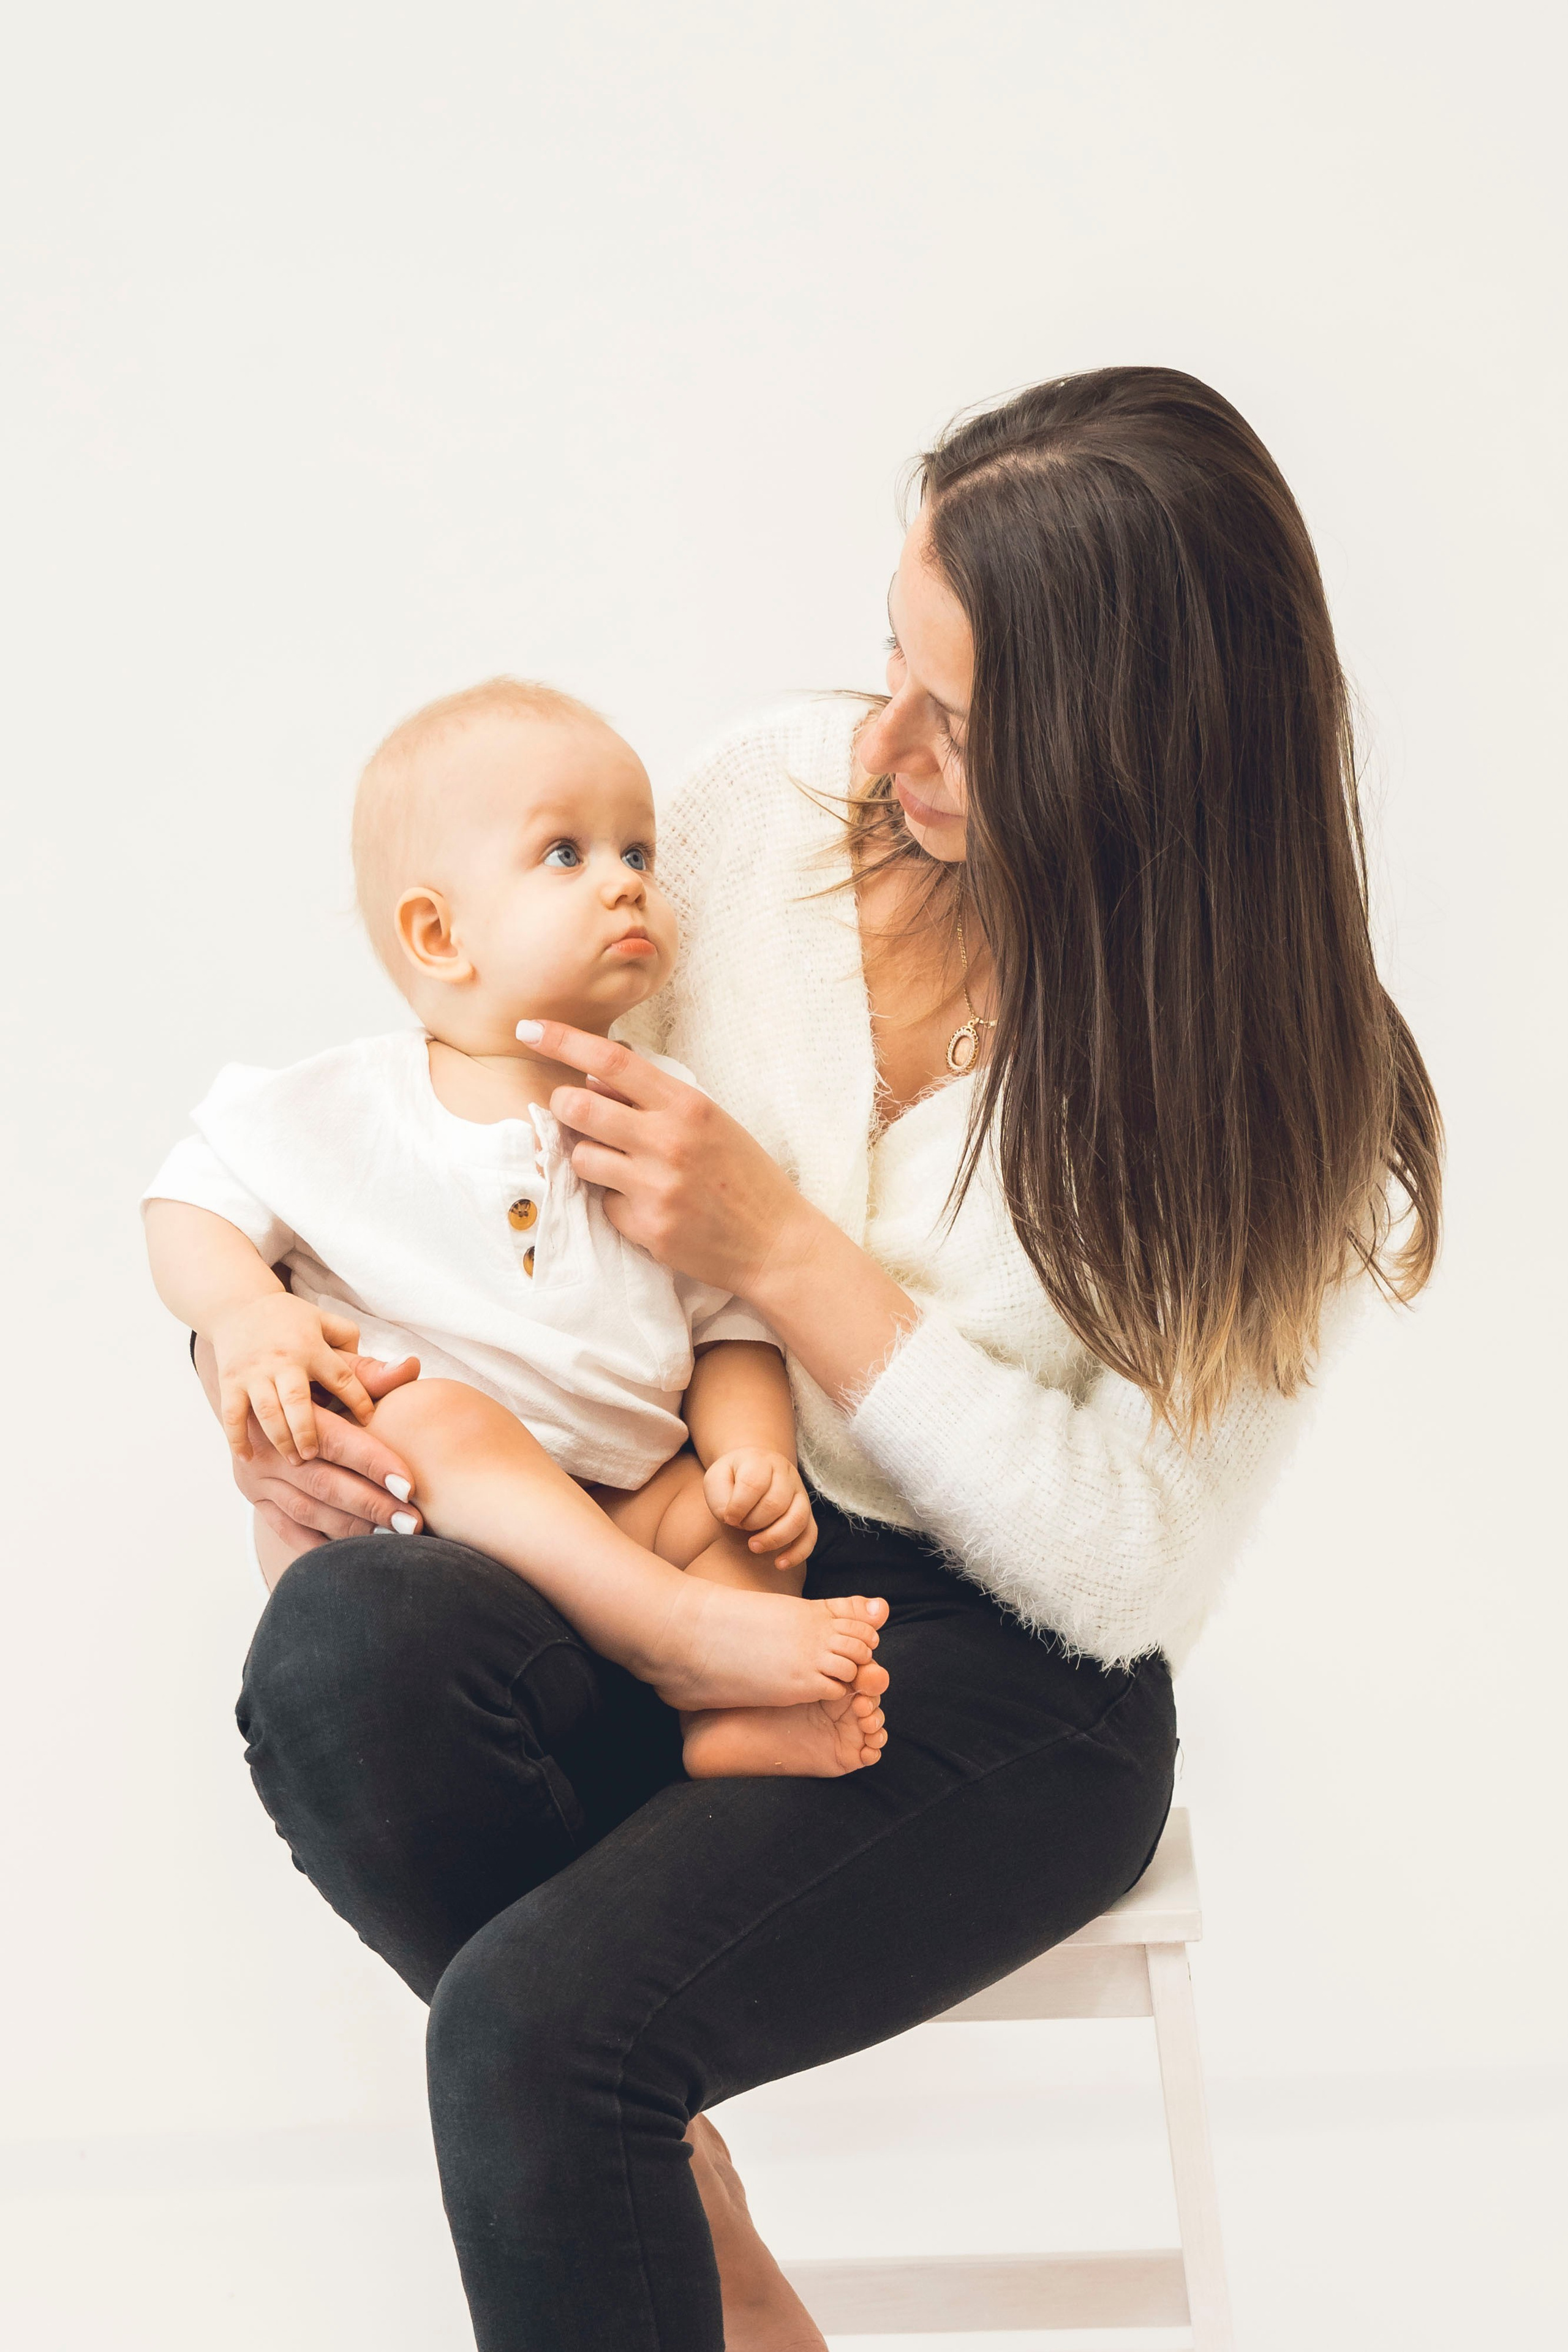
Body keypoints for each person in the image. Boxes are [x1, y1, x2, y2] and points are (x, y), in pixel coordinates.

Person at [217, 366, 1442, 2352]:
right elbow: (450, 1122)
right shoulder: (769, 811)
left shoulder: (1277, 1088)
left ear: (1126, 754)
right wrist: (260, 1351)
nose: (880, 741)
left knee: (534, 2042)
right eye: (895, 651)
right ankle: (688, 2213)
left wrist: (781, 1253)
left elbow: (1127, 1571)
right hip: (683, 1549)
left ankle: (628, 2150)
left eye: (954, 719)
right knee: (348, 1656)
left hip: (1004, 1685)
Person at [143, 681, 889, 1780]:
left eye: (640, 854)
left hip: (628, 1502)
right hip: (433, 1532)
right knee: (435, 1417)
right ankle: (679, 1639)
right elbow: (190, 1199)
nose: (625, 886)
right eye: (566, 856)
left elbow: (733, 1321)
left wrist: (752, 1458)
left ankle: (734, 1719)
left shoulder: (671, 1117)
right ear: (439, 934)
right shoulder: (357, 1104)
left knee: (744, 1532)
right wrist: (248, 1318)